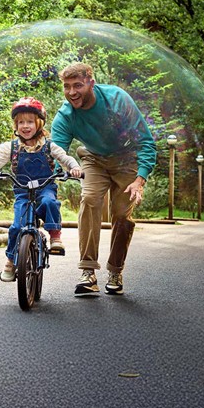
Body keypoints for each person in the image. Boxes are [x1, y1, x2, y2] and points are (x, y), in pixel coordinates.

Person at [50, 63, 156, 296]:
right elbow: (57, 151)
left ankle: (115, 270)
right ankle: (88, 271)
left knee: (121, 214)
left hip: (127, 159)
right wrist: (52, 176)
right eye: (67, 87)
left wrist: (140, 179)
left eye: (77, 85)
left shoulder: (117, 100)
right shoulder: (66, 114)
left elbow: (146, 142)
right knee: (89, 199)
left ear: (91, 83)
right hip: (94, 158)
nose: (72, 92)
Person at [0, 97, 83, 282]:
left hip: (45, 188)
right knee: (16, 227)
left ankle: (55, 236)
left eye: (30, 122)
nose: (25, 126)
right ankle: (10, 261)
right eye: (21, 122)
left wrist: (74, 168)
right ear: (16, 125)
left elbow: (65, 158)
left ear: (39, 124)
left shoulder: (48, 146)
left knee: (50, 202)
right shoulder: (10, 147)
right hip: (22, 191)